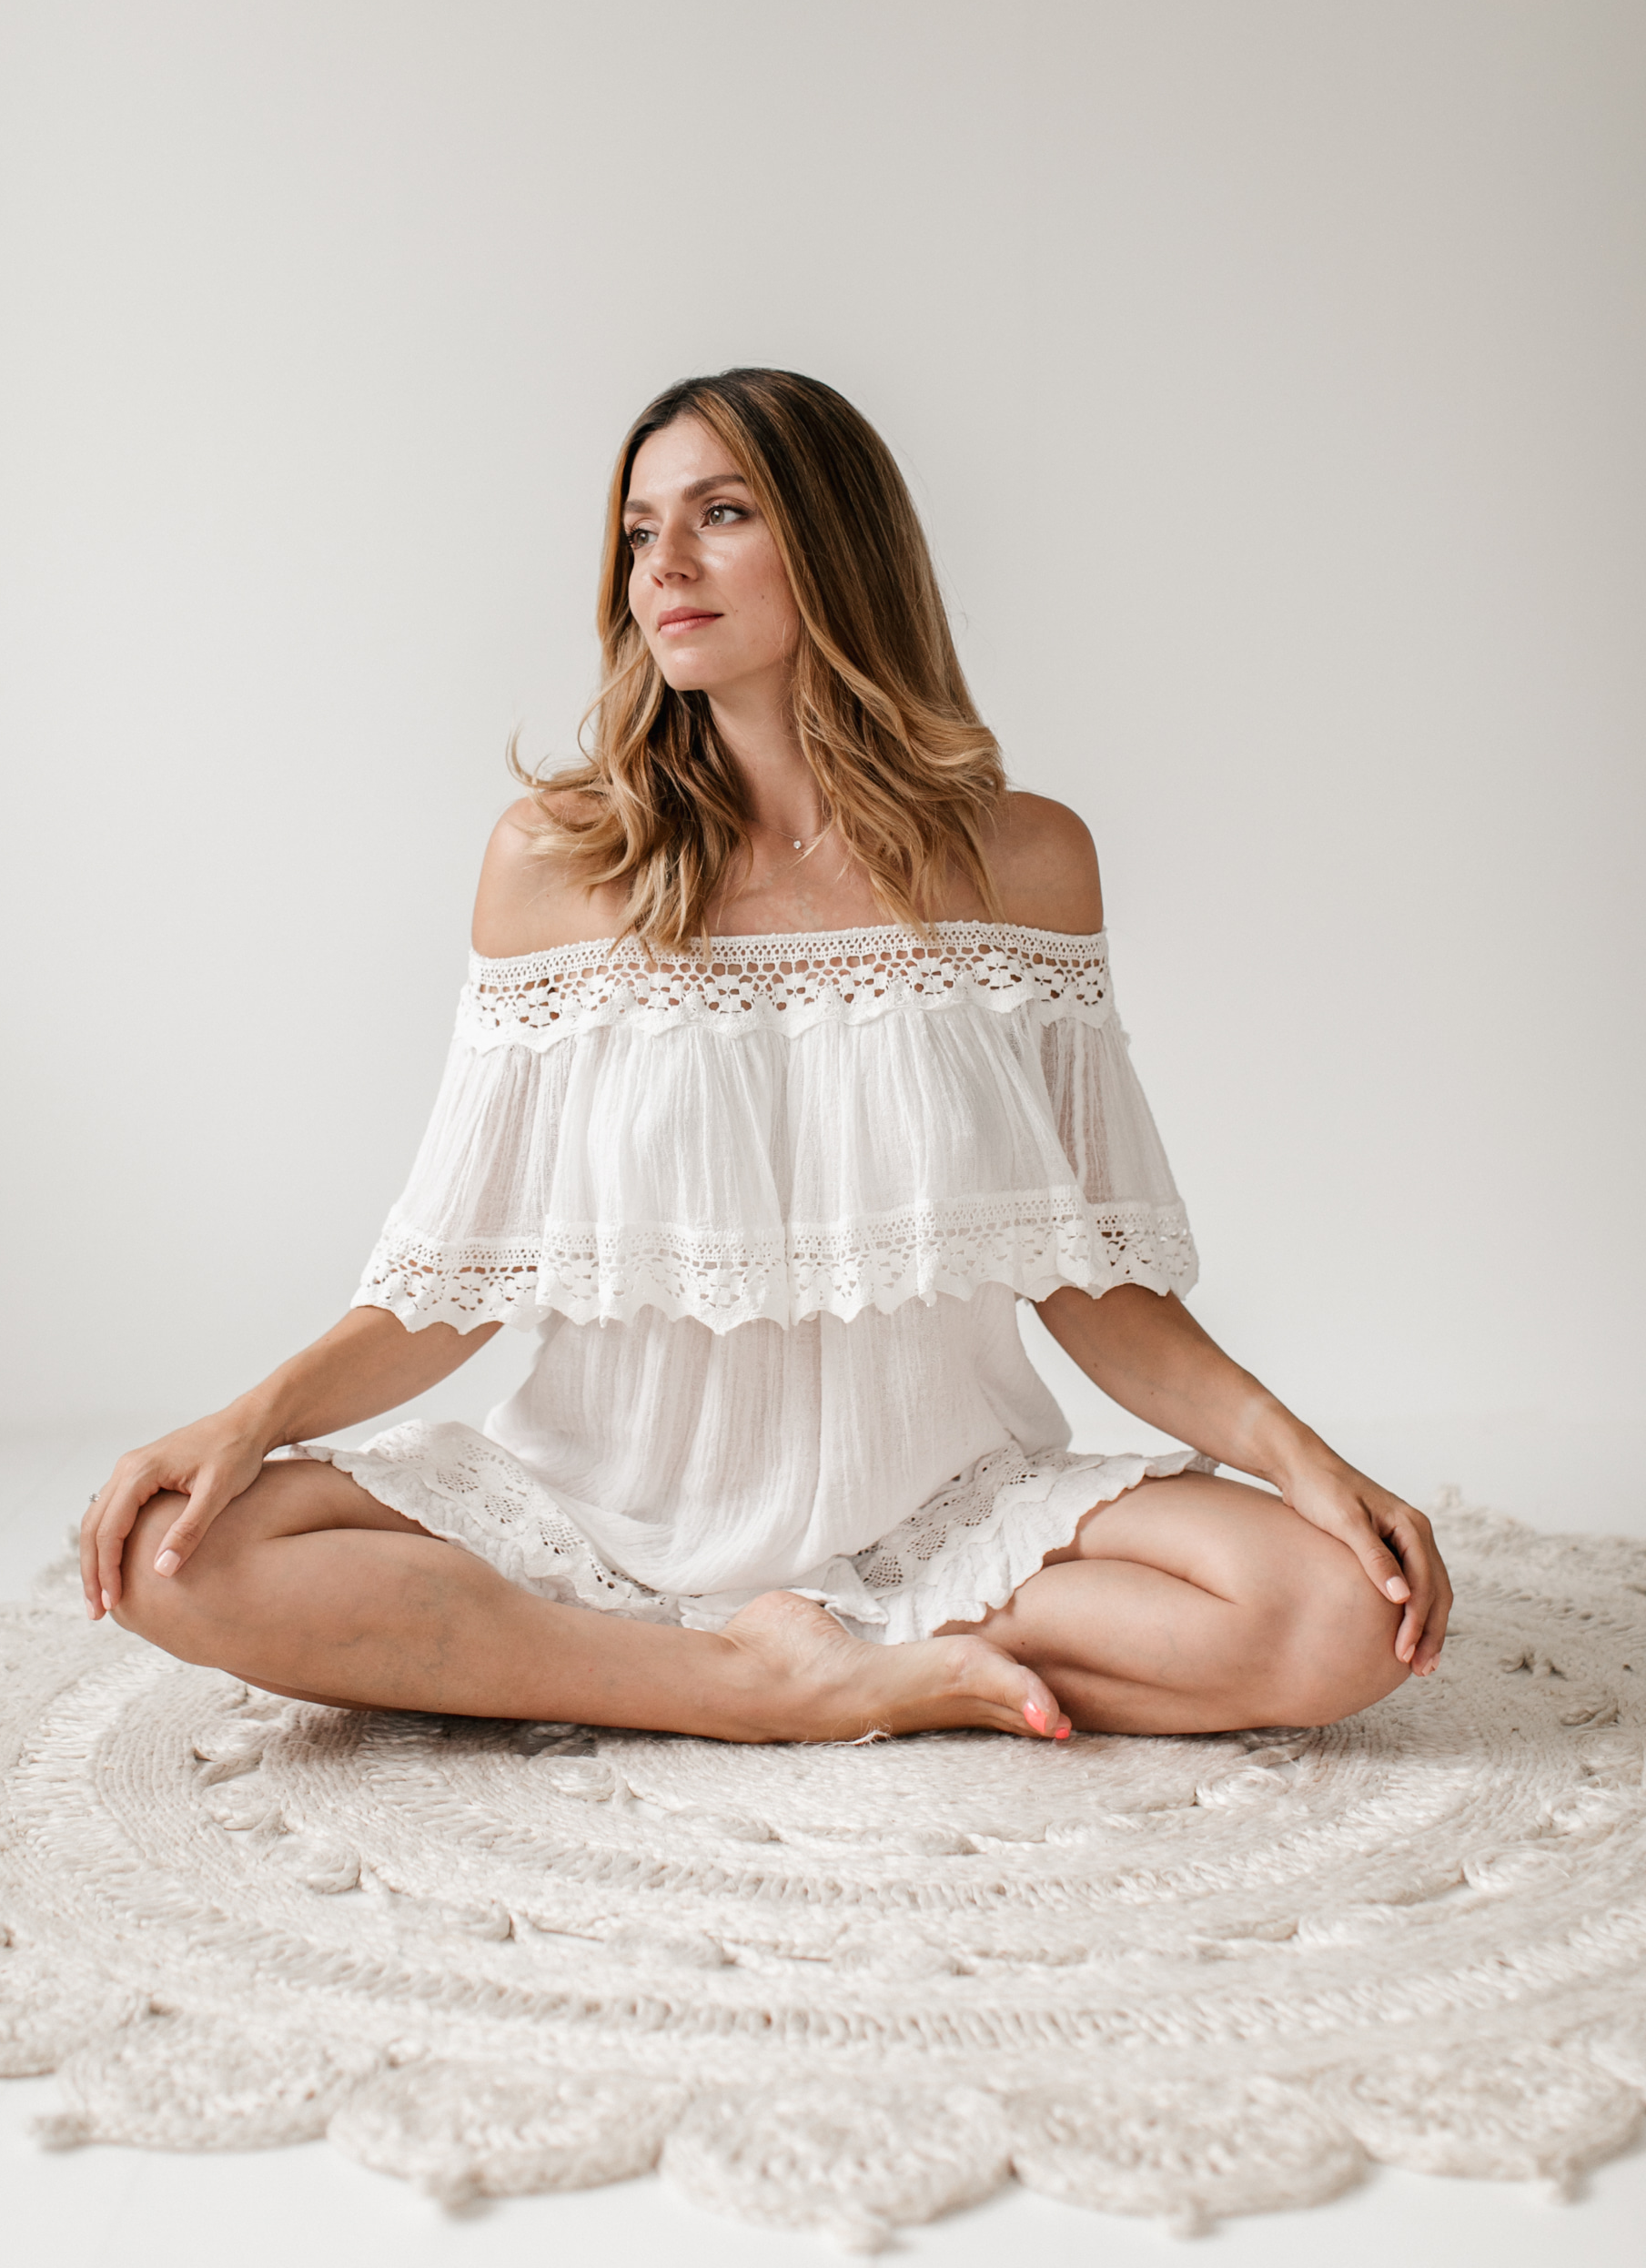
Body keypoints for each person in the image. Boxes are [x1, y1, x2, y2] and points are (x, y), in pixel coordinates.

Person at [84, 369, 1450, 1743]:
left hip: (939, 1516)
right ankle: (754, 1687)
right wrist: (247, 1421)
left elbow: (1095, 1281)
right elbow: (457, 1280)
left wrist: (1299, 1459)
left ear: (839, 547)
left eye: (721, 514)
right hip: (597, 1524)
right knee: (169, 1553)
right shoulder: (557, 868)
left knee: (1343, 1612)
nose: (663, 565)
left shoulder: (1024, 863)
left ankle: (856, 1650)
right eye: (639, 532)